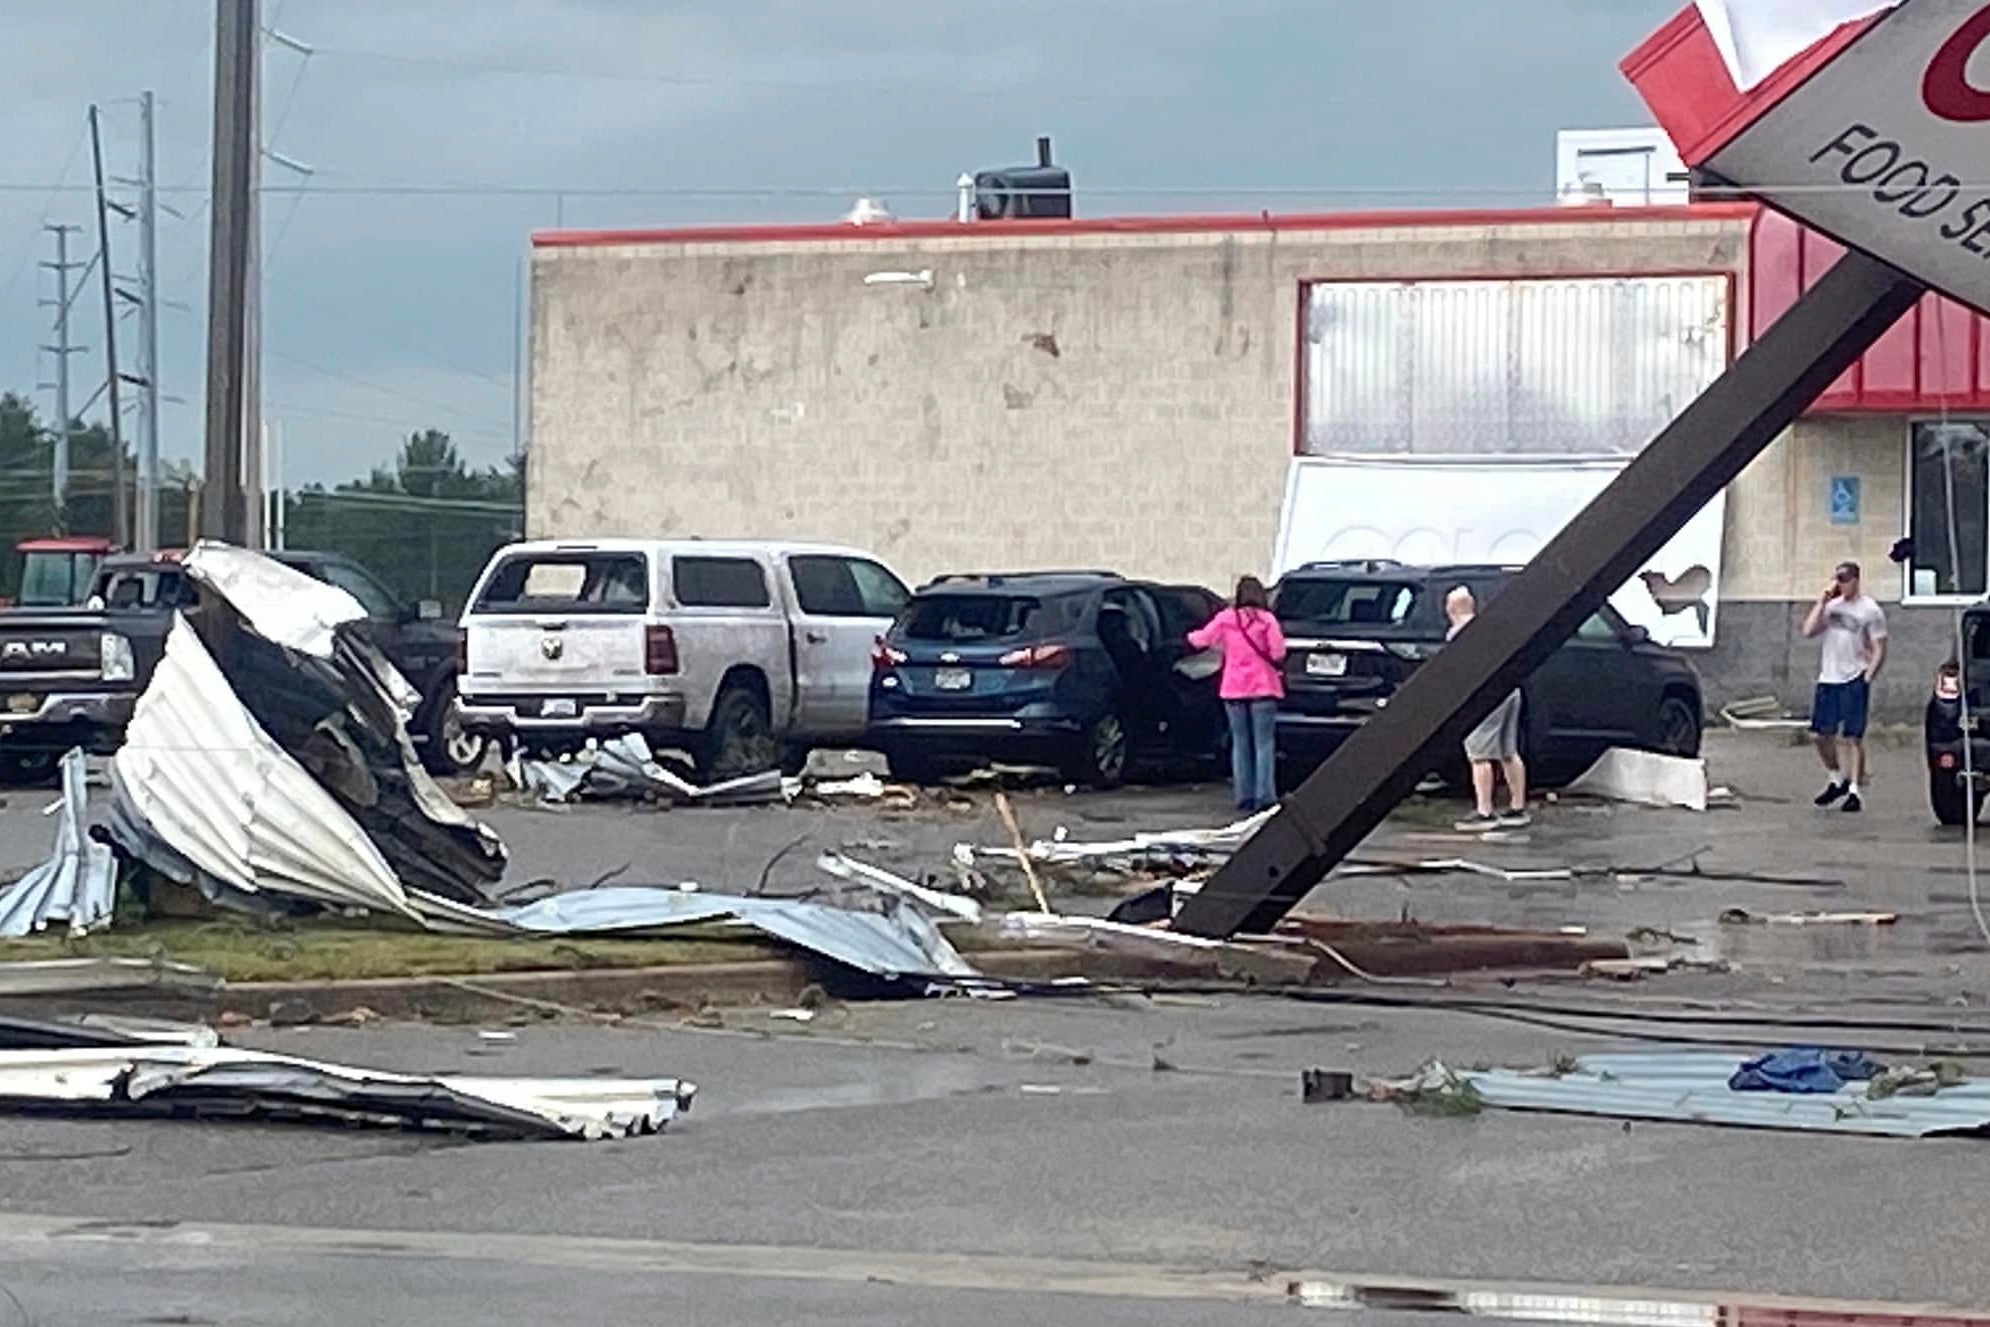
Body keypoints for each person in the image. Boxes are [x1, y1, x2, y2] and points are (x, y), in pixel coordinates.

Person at [1188, 575, 1288, 813]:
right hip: (1263, 687)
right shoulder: (1267, 620)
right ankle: (1265, 795)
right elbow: (1277, 652)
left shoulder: (1226, 619)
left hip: (1233, 688)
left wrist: (1187, 636)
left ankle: (1244, 795)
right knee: (1264, 743)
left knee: (1240, 743)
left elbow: (1200, 640)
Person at [1803, 560, 1887, 813]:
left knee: (1852, 736)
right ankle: (1835, 778)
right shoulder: (1831, 608)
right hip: (1829, 677)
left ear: (1856, 580)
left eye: (1846, 579)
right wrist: (1822, 601)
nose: (1842, 584)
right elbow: (1808, 631)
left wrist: (1869, 675)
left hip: (1854, 676)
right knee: (1820, 734)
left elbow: (1879, 645)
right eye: (1838, 578)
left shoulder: (1870, 610)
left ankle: (1854, 791)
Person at [1443, 587, 1531, 832]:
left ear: (1451, 609)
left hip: (1483, 697)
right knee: (1508, 752)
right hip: (1510, 691)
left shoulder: (1458, 634)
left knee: (1479, 755)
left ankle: (1485, 812)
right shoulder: (1492, 628)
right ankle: (1517, 807)